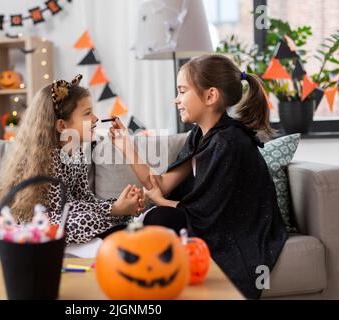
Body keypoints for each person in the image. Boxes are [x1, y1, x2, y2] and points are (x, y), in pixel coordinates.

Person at [109, 54, 287, 299]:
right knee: (150, 221)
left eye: (182, 91)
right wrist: (126, 147)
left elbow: (207, 213)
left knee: (160, 216)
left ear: (210, 96)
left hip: (240, 227)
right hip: (211, 217)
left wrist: (160, 201)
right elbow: (160, 183)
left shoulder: (229, 143)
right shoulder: (199, 136)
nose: (176, 100)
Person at [0, 74, 144, 244]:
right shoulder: (49, 158)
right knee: (85, 221)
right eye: (87, 113)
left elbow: (84, 199)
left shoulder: (76, 153)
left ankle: (119, 222)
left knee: (109, 216)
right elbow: (63, 208)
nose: (95, 119)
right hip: (37, 224)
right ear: (62, 126)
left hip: (64, 214)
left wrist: (120, 206)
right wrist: (113, 208)